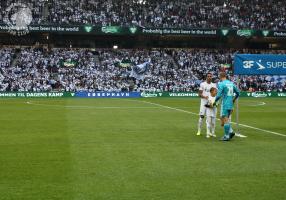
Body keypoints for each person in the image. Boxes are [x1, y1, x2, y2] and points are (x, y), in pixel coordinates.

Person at [213, 72, 240, 141]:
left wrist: (214, 101)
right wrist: (233, 99)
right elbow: (238, 93)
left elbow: (218, 95)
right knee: (225, 119)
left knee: (225, 120)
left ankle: (226, 136)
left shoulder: (221, 84)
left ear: (220, 76)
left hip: (225, 104)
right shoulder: (231, 83)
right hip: (230, 104)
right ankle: (230, 132)